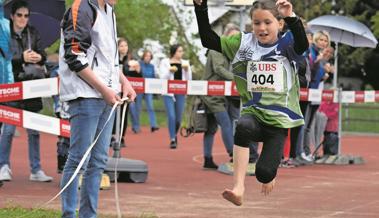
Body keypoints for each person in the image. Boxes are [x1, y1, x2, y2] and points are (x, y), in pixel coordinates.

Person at [193, 0, 308, 205]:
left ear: (279, 24)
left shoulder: (287, 44)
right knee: (243, 125)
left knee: (263, 174)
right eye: (256, 23)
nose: (262, 28)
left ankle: (269, 173)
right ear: (251, 24)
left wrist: (291, 17)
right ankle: (238, 188)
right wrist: (201, 8)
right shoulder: (243, 43)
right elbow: (208, 40)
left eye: (267, 22)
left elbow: (303, 44)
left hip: (279, 121)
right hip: (253, 113)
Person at [58, 0, 136, 217]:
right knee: (78, 159)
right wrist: (103, 89)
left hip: (107, 95)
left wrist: (124, 82)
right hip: (85, 95)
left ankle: (88, 215)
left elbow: (109, 59)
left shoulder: (109, 11)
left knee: (99, 160)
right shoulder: (81, 8)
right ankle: (69, 214)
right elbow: (74, 56)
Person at [0, 0, 52, 183]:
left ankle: (36, 169)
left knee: (34, 129)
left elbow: (43, 54)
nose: (23, 19)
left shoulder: (33, 32)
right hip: (11, 86)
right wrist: (20, 57)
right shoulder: (4, 33)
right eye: (19, 15)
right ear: (12, 16)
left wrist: (40, 56)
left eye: (26, 15)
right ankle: (3, 166)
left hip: (32, 86)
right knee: (8, 128)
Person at [159, 44, 192, 149]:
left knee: (178, 118)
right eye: (179, 51)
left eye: (182, 51)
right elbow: (162, 77)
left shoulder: (185, 63)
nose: (181, 53)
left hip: (180, 91)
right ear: (174, 52)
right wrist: (170, 71)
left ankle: (174, 134)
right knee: (171, 116)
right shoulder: (165, 62)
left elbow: (189, 80)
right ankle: (172, 139)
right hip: (168, 92)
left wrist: (186, 71)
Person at [139, 50, 159, 132]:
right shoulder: (139, 64)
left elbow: (153, 77)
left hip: (149, 88)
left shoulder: (152, 66)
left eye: (149, 56)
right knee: (138, 107)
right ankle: (136, 126)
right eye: (146, 55)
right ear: (143, 56)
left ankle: (153, 125)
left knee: (150, 107)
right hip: (139, 88)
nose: (148, 57)